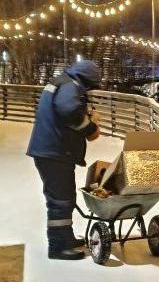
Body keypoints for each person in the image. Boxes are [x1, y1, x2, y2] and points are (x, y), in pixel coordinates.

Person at [26, 59, 102, 260]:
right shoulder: (71, 85)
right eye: (91, 86)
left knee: (64, 198)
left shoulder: (62, 82)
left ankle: (65, 238)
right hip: (54, 151)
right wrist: (91, 128)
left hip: (54, 151)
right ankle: (58, 247)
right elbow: (68, 110)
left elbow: (66, 110)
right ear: (86, 79)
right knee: (60, 200)